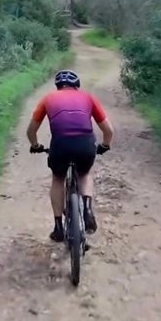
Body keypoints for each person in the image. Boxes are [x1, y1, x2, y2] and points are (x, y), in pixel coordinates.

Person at [26, 69, 114, 243]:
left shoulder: (48, 98)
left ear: (58, 86)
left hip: (60, 144)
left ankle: (58, 227)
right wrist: (105, 145)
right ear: (77, 86)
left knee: (58, 179)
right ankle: (87, 209)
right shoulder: (88, 97)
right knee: (85, 173)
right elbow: (108, 130)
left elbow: (31, 131)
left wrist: (36, 145)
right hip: (84, 144)